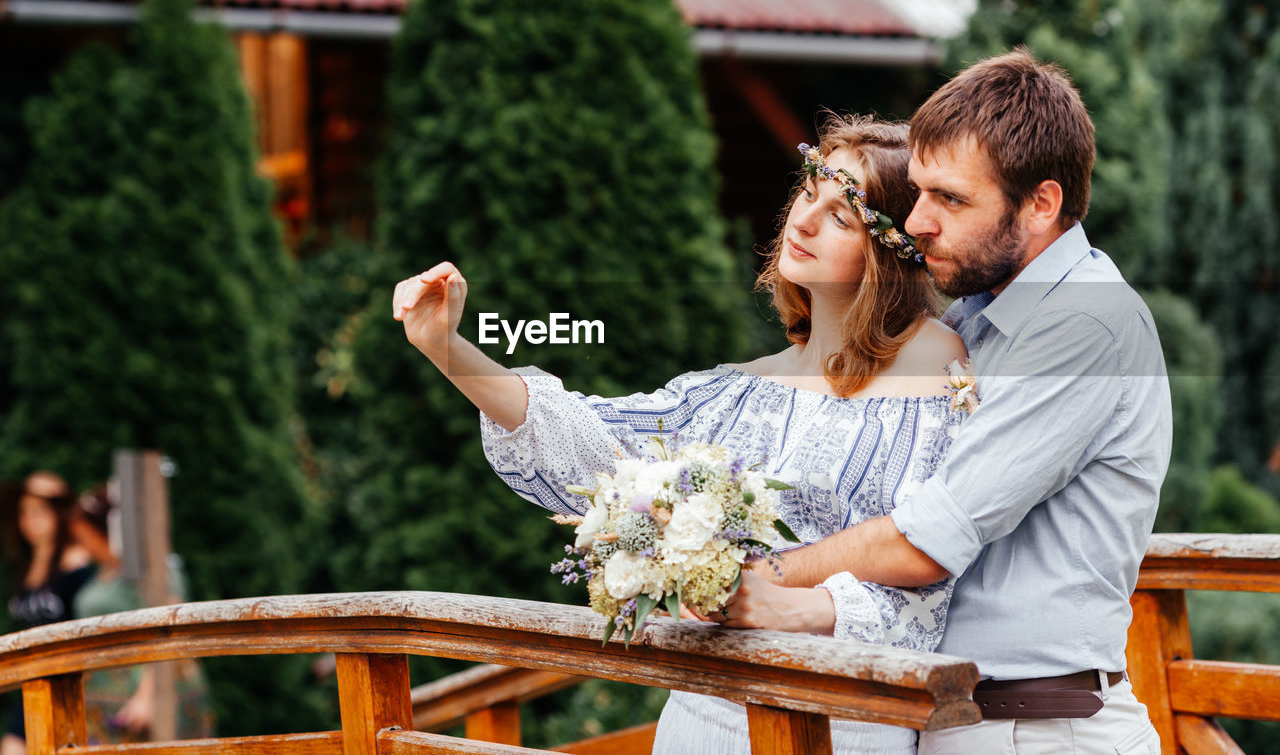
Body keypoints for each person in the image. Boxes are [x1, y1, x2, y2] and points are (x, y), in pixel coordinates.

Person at [394, 114, 969, 754]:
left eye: (842, 215)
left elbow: (933, 583)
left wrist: (807, 605)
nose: (803, 221)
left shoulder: (934, 383)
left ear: (891, 252)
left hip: (843, 723)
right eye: (809, 193)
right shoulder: (736, 393)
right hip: (701, 717)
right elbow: (593, 442)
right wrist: (446, 348)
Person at [768, 50, 1171, 754]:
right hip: (956, 719)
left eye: (950, 199)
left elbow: (928, 536)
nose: (917, 221)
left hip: (1040, 730)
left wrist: (765, 575)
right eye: (919, 191)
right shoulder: (973, 319)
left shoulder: (1086, 322)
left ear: (1041, 203)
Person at [67, 487, 214, 745]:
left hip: (150, 690)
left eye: (85, 536)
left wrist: (148, 696)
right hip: (104, 700)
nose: (84, 545)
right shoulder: (101, 572)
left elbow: (169, 629)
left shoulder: (152, 567)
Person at [1, 472, 95, 755]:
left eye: (40, 511)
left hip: (72, 685)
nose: (31, 520)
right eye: (25, 512)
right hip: (32, 683)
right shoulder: (26, 565)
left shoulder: (77, 561)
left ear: (59, 512)